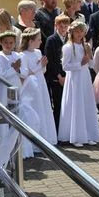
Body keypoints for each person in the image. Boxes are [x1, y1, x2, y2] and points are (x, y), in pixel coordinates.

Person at [58, 21, 99, 147]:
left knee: (86, 104)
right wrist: (79, 64)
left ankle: (88, 134)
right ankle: (76, 136)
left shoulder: (85, 45)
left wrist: (90, 54)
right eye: (77, 31)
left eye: (81, 31)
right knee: (76, 105)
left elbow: (92, 65)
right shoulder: (68, 47)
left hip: (85, 78)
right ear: (72, 32)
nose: (79, 34)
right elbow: (65, 66)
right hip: (74, 79)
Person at [18, 28, 57, 158]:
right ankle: (34, 141)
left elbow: (43, 70)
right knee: (34, 108)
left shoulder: (38, 52)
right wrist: (39, 66)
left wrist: (42, 66)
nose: (41, 41)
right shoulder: (23, 55)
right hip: (30, 86)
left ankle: (45, 137)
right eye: (38, 39)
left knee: (43, 108)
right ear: (30, 41)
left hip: (40, 83)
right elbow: (25, 73)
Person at [0, 31, 22, 139]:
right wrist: (13, 69)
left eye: (11, 43)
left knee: (16, 114)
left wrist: (18, 69)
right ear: (0, 43)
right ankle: (3, 142)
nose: (8, 45)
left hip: (16, 88)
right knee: (3, 117)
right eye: (6, 43)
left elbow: (22, 72)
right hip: (3, 90)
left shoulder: (17, 55)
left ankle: (16, 142)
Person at [43, 14, 71, 129]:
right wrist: (59, 76)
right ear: (56, 26)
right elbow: (50, 60)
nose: (63, 28)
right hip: (56, 78)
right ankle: (58, 130)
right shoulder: (51, 40)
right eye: (60, 26)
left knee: (68, 105)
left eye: (65, 26)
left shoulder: (69, 39)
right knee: (58, 105)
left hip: (68, 76)